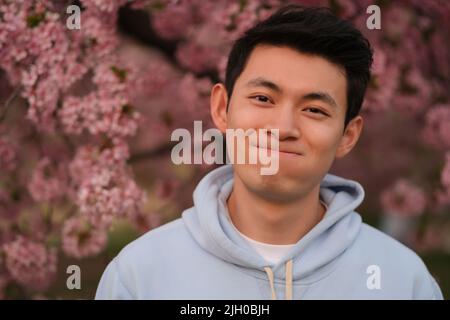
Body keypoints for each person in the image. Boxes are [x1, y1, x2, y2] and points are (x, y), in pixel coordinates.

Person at [95, 5, 443, 300]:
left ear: (347, 135)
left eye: (315, 110)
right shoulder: (140, 275)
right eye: (263, 99)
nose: (283, 127)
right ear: (221, 108)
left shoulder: (403, 280)